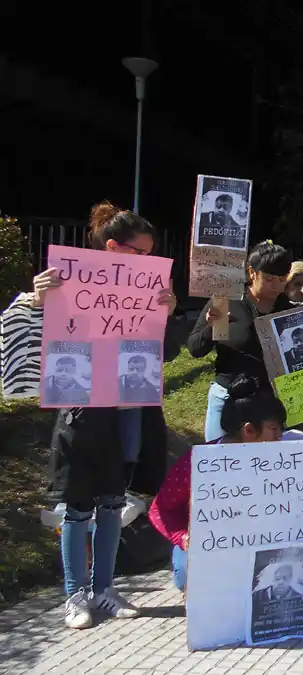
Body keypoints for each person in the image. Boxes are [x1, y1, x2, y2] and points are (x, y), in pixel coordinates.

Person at [30, 201, 180, 628]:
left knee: (113, 503)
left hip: (126, 410)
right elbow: (31, 345)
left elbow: (162, 355)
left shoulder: (149, 294)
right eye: (141, 253)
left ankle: (104, 589)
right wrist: (37, 299)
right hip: (80, 411)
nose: (149, 262)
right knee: (77, 507)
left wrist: (163, 314)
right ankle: (75, 595)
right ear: (114, 247)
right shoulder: (64, 282)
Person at [149, 375, 289, 593]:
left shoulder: (291, 455)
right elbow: (159, 509)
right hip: (212, 545)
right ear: (249, 430)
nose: (281, 435)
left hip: (264, 543)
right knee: (188, 573)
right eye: (274, 429)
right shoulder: (198, 463)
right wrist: (182, 538)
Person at [189, 240, 293, 442]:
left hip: (269, 402)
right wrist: (212, 329)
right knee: (221, 463)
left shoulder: (288, 310)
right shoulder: (227, 301)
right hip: (228, 397)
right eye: (270, 278)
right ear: (252, 272)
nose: (277, 286)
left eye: (282, 279)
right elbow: (194, 348)